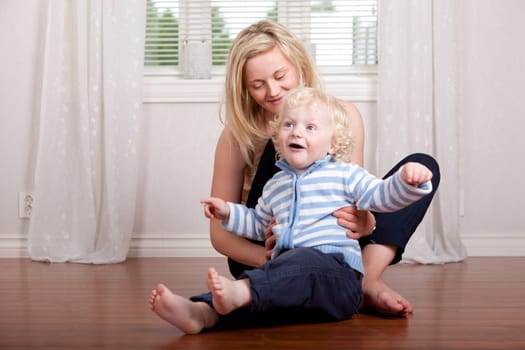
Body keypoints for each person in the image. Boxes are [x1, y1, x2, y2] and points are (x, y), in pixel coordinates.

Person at [149, 86, 434, 334]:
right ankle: (201, 313)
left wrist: (407, 181)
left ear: (333, 143)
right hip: (290, 276)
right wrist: (228, 213)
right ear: (278, 136)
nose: (297, 131)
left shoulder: (344, 174)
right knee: (268, 298)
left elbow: (381, 196)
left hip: (337, 275)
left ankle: (240, 292)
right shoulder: (276, 185)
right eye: (289, 125)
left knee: (295, 267)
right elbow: (258, 223)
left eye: (310, 128)